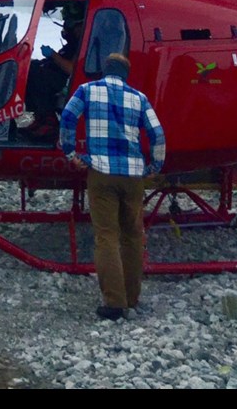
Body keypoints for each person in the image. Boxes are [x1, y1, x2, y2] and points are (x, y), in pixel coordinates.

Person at [58, 53, 166, 321]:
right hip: (133, 176)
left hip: (102, 173)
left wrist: (71, 153)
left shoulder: (87, 90)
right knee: (132, 236)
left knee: (106, 236)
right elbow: (158, 134)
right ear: (126, 74)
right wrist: (154, 167)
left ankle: (114, 303)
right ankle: (132, 298)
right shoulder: (138, 98)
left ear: (105, 70)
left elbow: (67, 118)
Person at [24, 3, 85, 139]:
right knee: (33, 67)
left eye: (73, 25)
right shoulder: (72, 44)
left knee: (37, 74)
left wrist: (52, 55)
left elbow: (72, 69)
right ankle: (39, 116)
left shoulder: (83, 43)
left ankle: (49, 119)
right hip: (59, 76)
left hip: (69, 82)